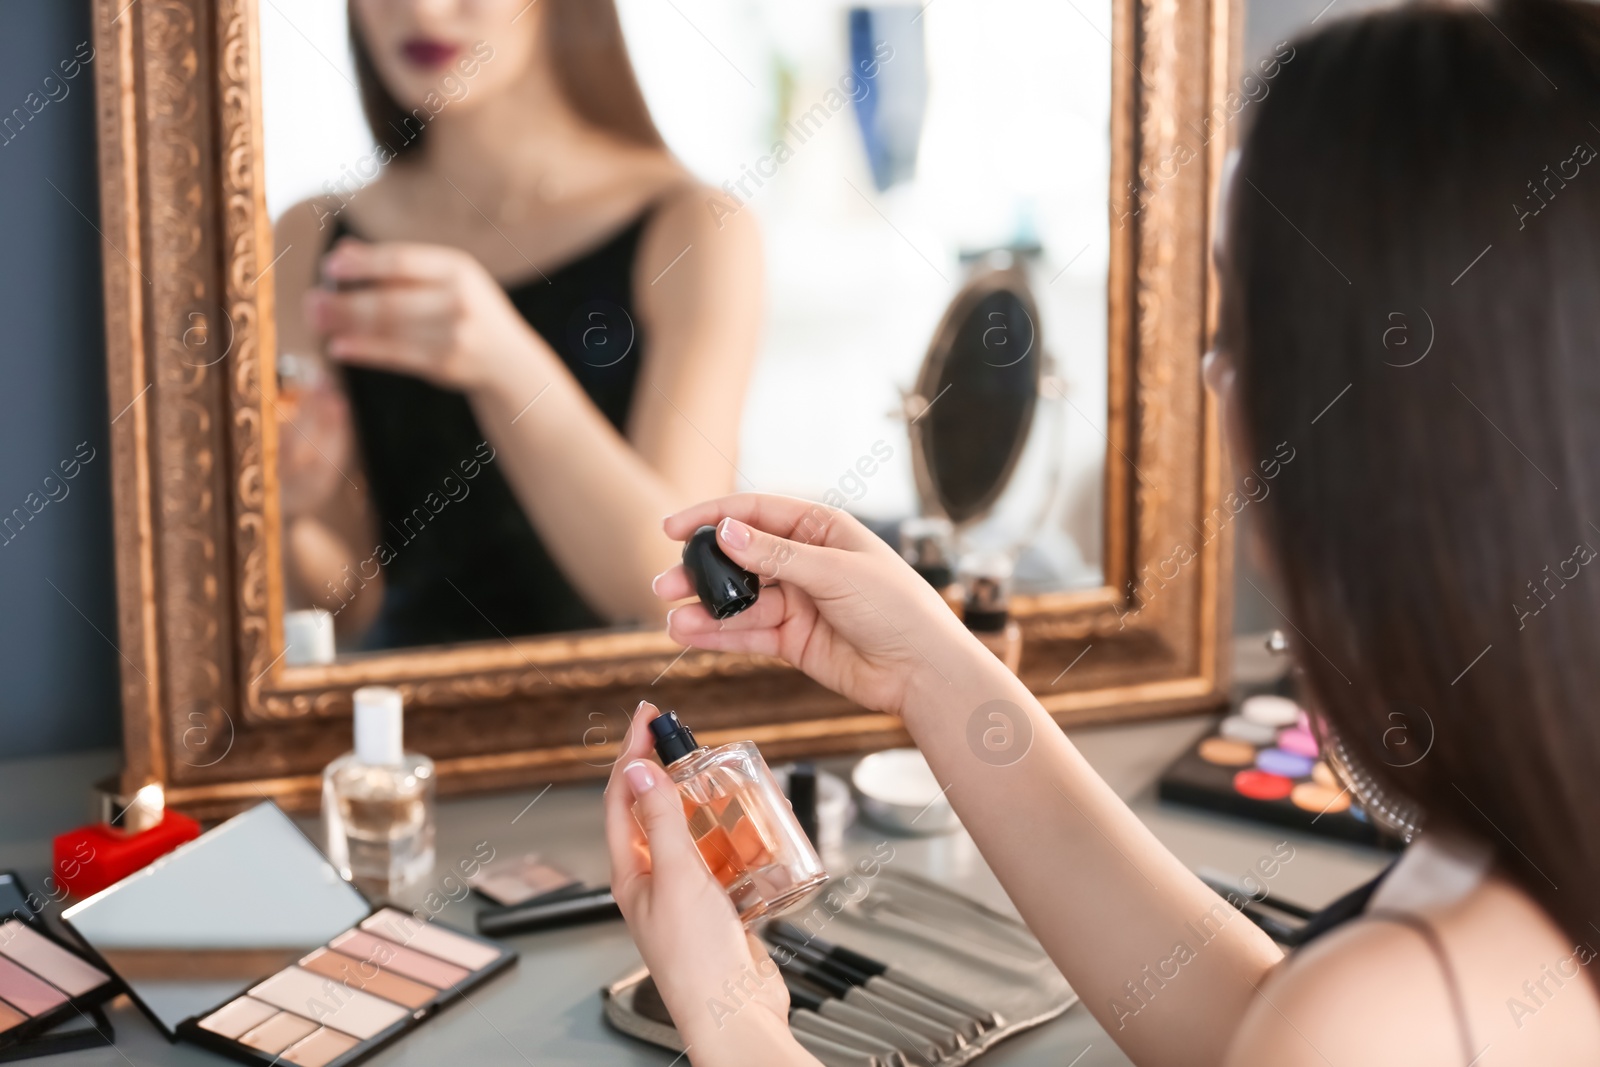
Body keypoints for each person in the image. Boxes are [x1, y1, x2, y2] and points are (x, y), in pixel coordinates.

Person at [604, 3, 1600, 1063]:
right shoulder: (1500, 879)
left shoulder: (1400, 1007)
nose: (1214, 371)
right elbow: (1249, 1025)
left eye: (1240, 323)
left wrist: (733, 1019)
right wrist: (932, 670)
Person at [273, 0, 760, 648]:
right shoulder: (309, 237)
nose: (421, 9)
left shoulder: (695, 227)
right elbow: (352, 609)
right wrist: (293, 510)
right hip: (401, 734)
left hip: (620, 734)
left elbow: (672, 579)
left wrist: (506, 366)